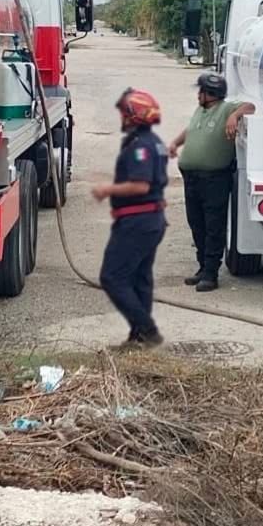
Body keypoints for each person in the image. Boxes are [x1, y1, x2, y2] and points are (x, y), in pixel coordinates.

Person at [91, 88, 169, 349]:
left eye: (125, 113)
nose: (122, 118)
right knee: (139, 278)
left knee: (112, 277)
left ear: (134, 115)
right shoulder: (154, 141)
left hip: (138, 222)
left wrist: (107, 190)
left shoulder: (141, 147)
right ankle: (139, 338)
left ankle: (147, 330)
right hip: (151, 220)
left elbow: (140, 185)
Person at [169, 72, 256, 292]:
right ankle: (202, 267)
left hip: (214, 179)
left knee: (213, 227)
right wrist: (175, 143)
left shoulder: (225, 108)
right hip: (192, 178)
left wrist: (234, 116)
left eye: (201, 91)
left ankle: (211, 274)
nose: (198, 94)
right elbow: (191, 130)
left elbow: (250, 107)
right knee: (197, 225)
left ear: (211, 93)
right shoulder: (201, 110)